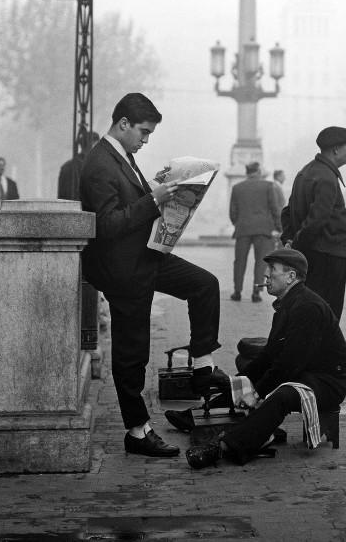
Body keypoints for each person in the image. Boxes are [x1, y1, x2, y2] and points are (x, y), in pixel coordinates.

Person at [80, 92, 225, 458]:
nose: (145, 141)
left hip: (145, 256)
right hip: (123, 269)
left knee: (205, 285)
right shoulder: (99, 163)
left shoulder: (122, 156)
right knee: (132, 353)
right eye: (143, 133)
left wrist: (159, 187)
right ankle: (137, 431)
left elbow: (130, 204)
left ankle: (204, 366)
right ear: (123, 124)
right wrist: (154, 198)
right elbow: (108, 225)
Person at [176, 249, 346, 469]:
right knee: (249, 368)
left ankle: (223, 448)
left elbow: (288, 364)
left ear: (291, 277)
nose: (266, 276)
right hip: (306, 371)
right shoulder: (288, 303)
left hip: (327, 382)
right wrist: (237, 382)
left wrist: (256, 393)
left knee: (282, 395)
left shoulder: (307, 308)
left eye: (272, 270)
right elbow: (270, 355)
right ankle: (201, 413)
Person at [280, 126, 346, 321]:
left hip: (310, 255)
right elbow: (316, 221)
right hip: (328, 256)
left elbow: (288, 212)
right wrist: (295, 245)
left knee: (309, 309)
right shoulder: (327, 177)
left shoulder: (305, 172)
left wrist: (289, 241)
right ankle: (325, 351)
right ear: (336, 149)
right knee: (328, 313)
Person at [229, 161, 281, 303]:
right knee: (261, 262)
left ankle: (237, 292)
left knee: (239, 261)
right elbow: (274, 209)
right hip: (264, 229)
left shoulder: (237, 188)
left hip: (243, 228)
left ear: (247, 172)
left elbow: (233, 212)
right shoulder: (268, 186)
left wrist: (238, 223)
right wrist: (279, 227)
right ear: (258, 171)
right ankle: (256, 293)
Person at [58, 131, 100, 201]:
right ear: (92, 145)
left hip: (69, 209)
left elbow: (61, 197)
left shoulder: (66, 166)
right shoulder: (95, 167)